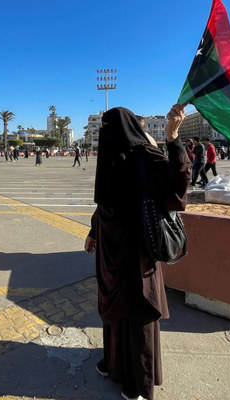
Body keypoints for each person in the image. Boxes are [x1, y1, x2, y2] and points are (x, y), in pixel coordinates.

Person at [84, 105, 191, 400]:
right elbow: (107, 201)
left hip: (124, 253)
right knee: (127, 313)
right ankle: (123, 373)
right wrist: (94, 231)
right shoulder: (139, 155)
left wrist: (172, 138)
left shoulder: (129, 157)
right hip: (125, 252)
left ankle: (129, 378)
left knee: (126, 313)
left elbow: (176, 190)